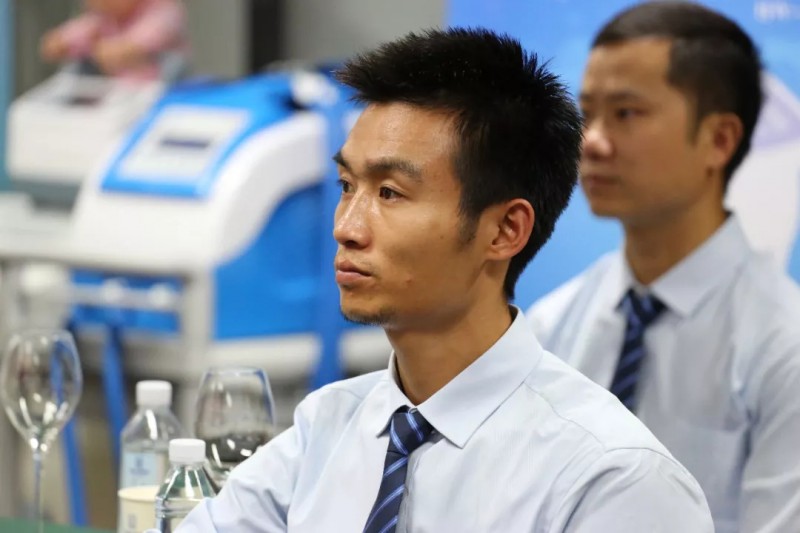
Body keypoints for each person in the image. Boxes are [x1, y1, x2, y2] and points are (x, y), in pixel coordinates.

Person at [178, 27, 712, 532]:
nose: (346, 227)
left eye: (390, 193)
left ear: (505, 230)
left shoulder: (610, 477)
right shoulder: (327, 426)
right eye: (346, 186)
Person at [527, 2, 800, 532]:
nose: (592, 141)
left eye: (626, 113)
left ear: (719, 140)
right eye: (587, 113)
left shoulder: (782, 346)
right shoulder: (550, 326)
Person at [39, 0, 187, 80]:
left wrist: (114, 51)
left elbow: (139, 43)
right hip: (121, 98)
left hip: (164, 102)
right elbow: (81, 30)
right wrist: (61, 41)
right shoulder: (105, 16)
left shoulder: (164, 10)